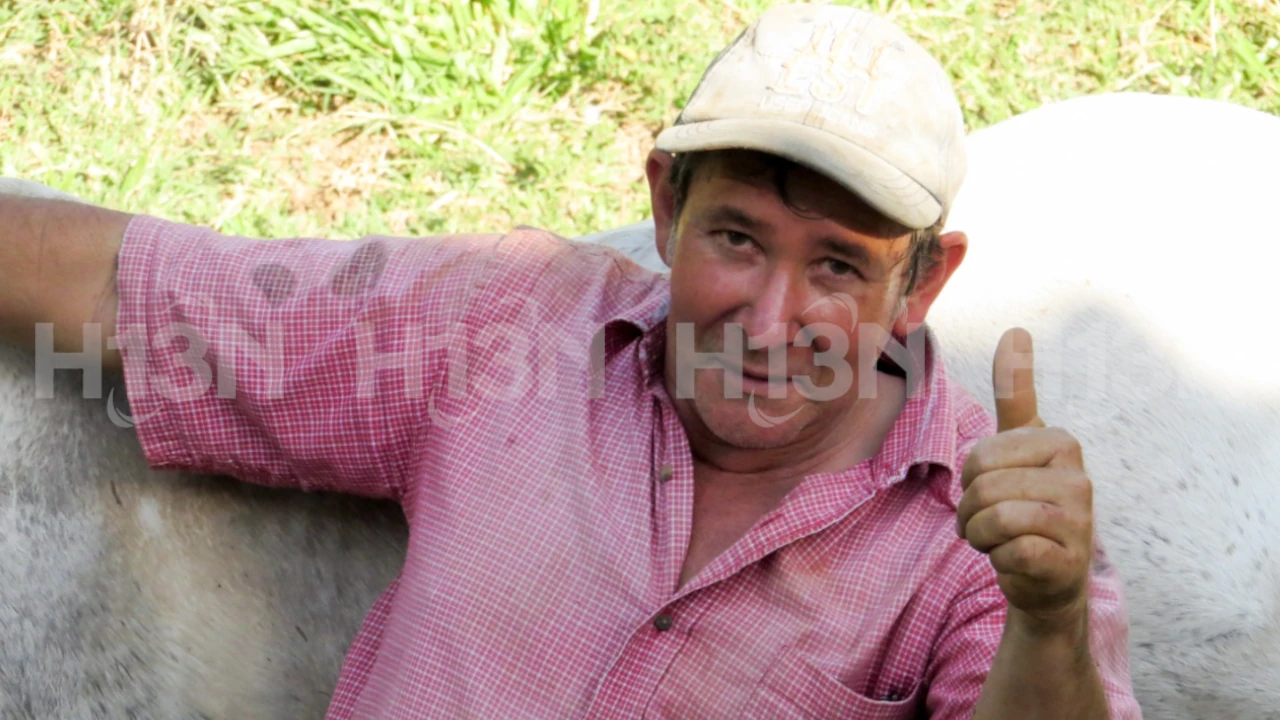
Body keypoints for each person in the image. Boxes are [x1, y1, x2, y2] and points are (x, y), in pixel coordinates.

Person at [0, 4, 1141, 718]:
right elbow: (126, 291)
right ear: (665, 206)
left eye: (838, 267)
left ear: (922, 283)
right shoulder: (497, 332)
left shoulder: (986, 542)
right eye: (736, 239)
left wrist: (1045, 621)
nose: (768, 319)